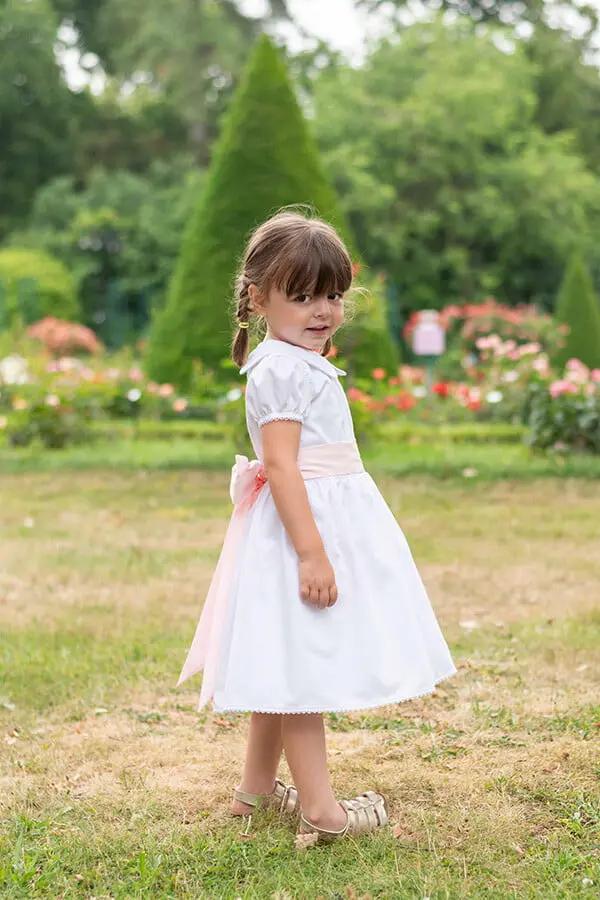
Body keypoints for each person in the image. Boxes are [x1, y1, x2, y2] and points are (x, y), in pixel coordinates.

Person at [176, 208, 458, 845]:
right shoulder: (278, 368)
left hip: (322, 517)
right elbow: (280, 465)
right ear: (259, 299)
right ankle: (323, 811)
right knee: (304, 669)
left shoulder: (295, 361)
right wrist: (312, 554)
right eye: (300, 297)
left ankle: (253, 793)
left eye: (330, 294)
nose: (321, 310)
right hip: (304, 529)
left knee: (286, 657)